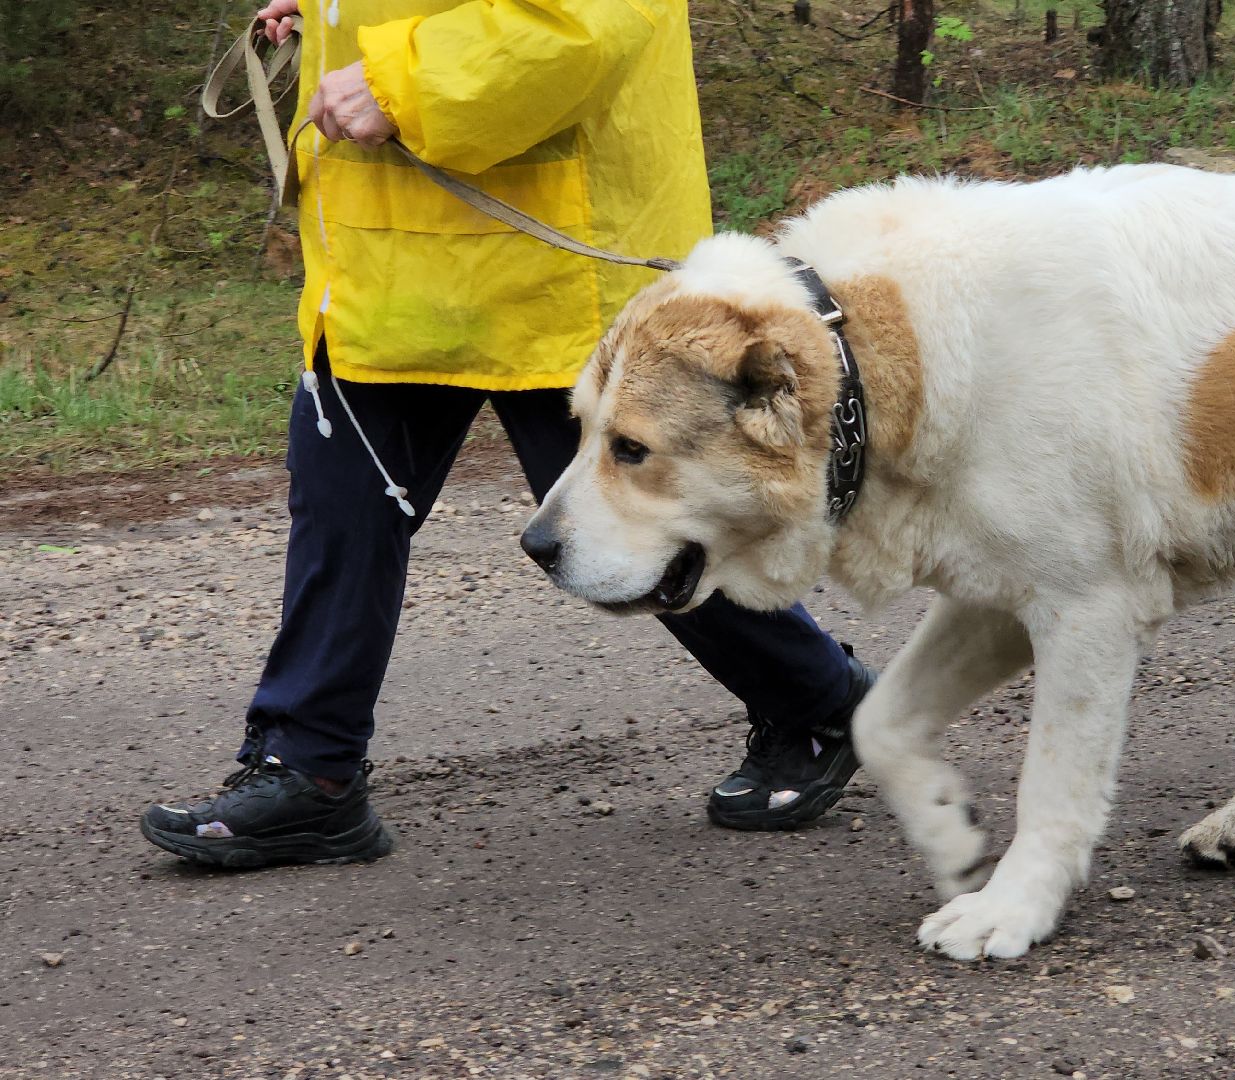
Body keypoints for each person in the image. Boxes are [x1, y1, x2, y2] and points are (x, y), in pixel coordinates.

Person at [140, 0, 872, 868]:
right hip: (385, 273)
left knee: (630, 530)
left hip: (554, 264)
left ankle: (821, 703)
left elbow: (596, 18)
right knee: (342, 510)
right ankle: (310, 774)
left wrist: (400, 84)